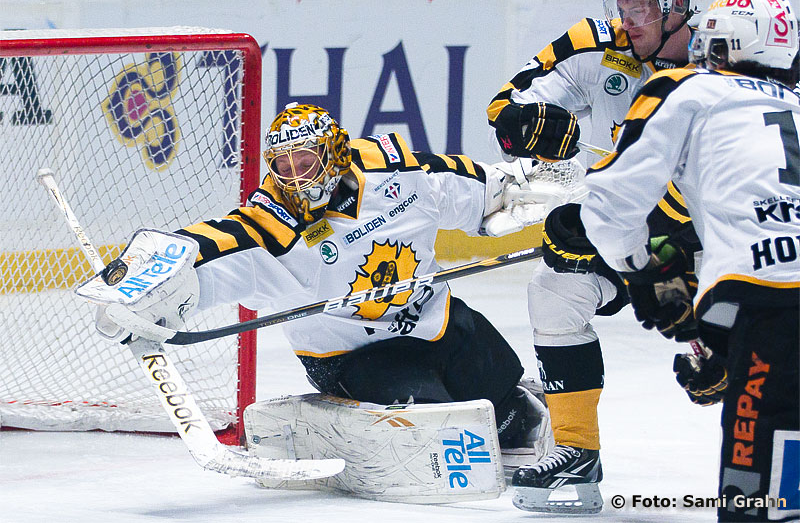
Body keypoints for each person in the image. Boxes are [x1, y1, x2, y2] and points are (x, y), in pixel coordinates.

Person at [98, 102, 568, 470]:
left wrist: (551, 198)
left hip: (436, 321)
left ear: (336, 156)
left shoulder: (397, 173)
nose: (296, 178)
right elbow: (211, 245)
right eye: (283, 166)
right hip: (351, 356)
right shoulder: (272, 228)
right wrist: (142, 285)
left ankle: (504, 398)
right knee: (434, 426)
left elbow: (488, 191)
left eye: (306, 161)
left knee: (505, 396)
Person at [580, 0, 800, 521]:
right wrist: (726, 349)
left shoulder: (686, 89)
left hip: (768, 302)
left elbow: (609, 206)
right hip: (768, 302)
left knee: (760, 501)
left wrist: (641, 270)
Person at [486, 0, 701, 513]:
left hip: (726, 238)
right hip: (637, 237)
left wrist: (612, 223)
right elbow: (505, 105)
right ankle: (577, 453)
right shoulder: (595, 45)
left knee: (749, 352)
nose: (628, 23)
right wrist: (525, 125)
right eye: (621, 8)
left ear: (681, 4)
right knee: (556, 292)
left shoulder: (728, 57)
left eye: (643, 9)